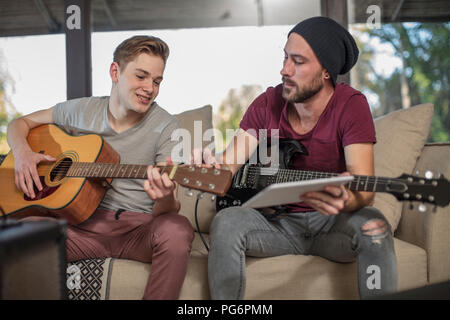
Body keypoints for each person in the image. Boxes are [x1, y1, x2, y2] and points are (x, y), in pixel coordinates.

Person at [194, 16, 397, 299]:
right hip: (277, 226)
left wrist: (345, 199)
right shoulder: (267, 103)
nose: (284, 70)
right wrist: (208, 167)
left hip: (331, 225)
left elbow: (363, 188)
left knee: (375, 224)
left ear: (326, 72)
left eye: (298, 61)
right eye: (285, 57)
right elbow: (228, 166)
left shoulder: (351, 105)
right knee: (227, 221)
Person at [7, 35, 194, 300]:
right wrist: (23, 153)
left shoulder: (167, 126)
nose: (149, 88)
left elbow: (169, 209)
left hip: (137, 230)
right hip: (79, 226)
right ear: (115, 72)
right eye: (141, 76)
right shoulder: (81, 111)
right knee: (21, 232)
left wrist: (165, 197)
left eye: (157, 81)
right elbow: (19, 124)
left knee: (177, 229)